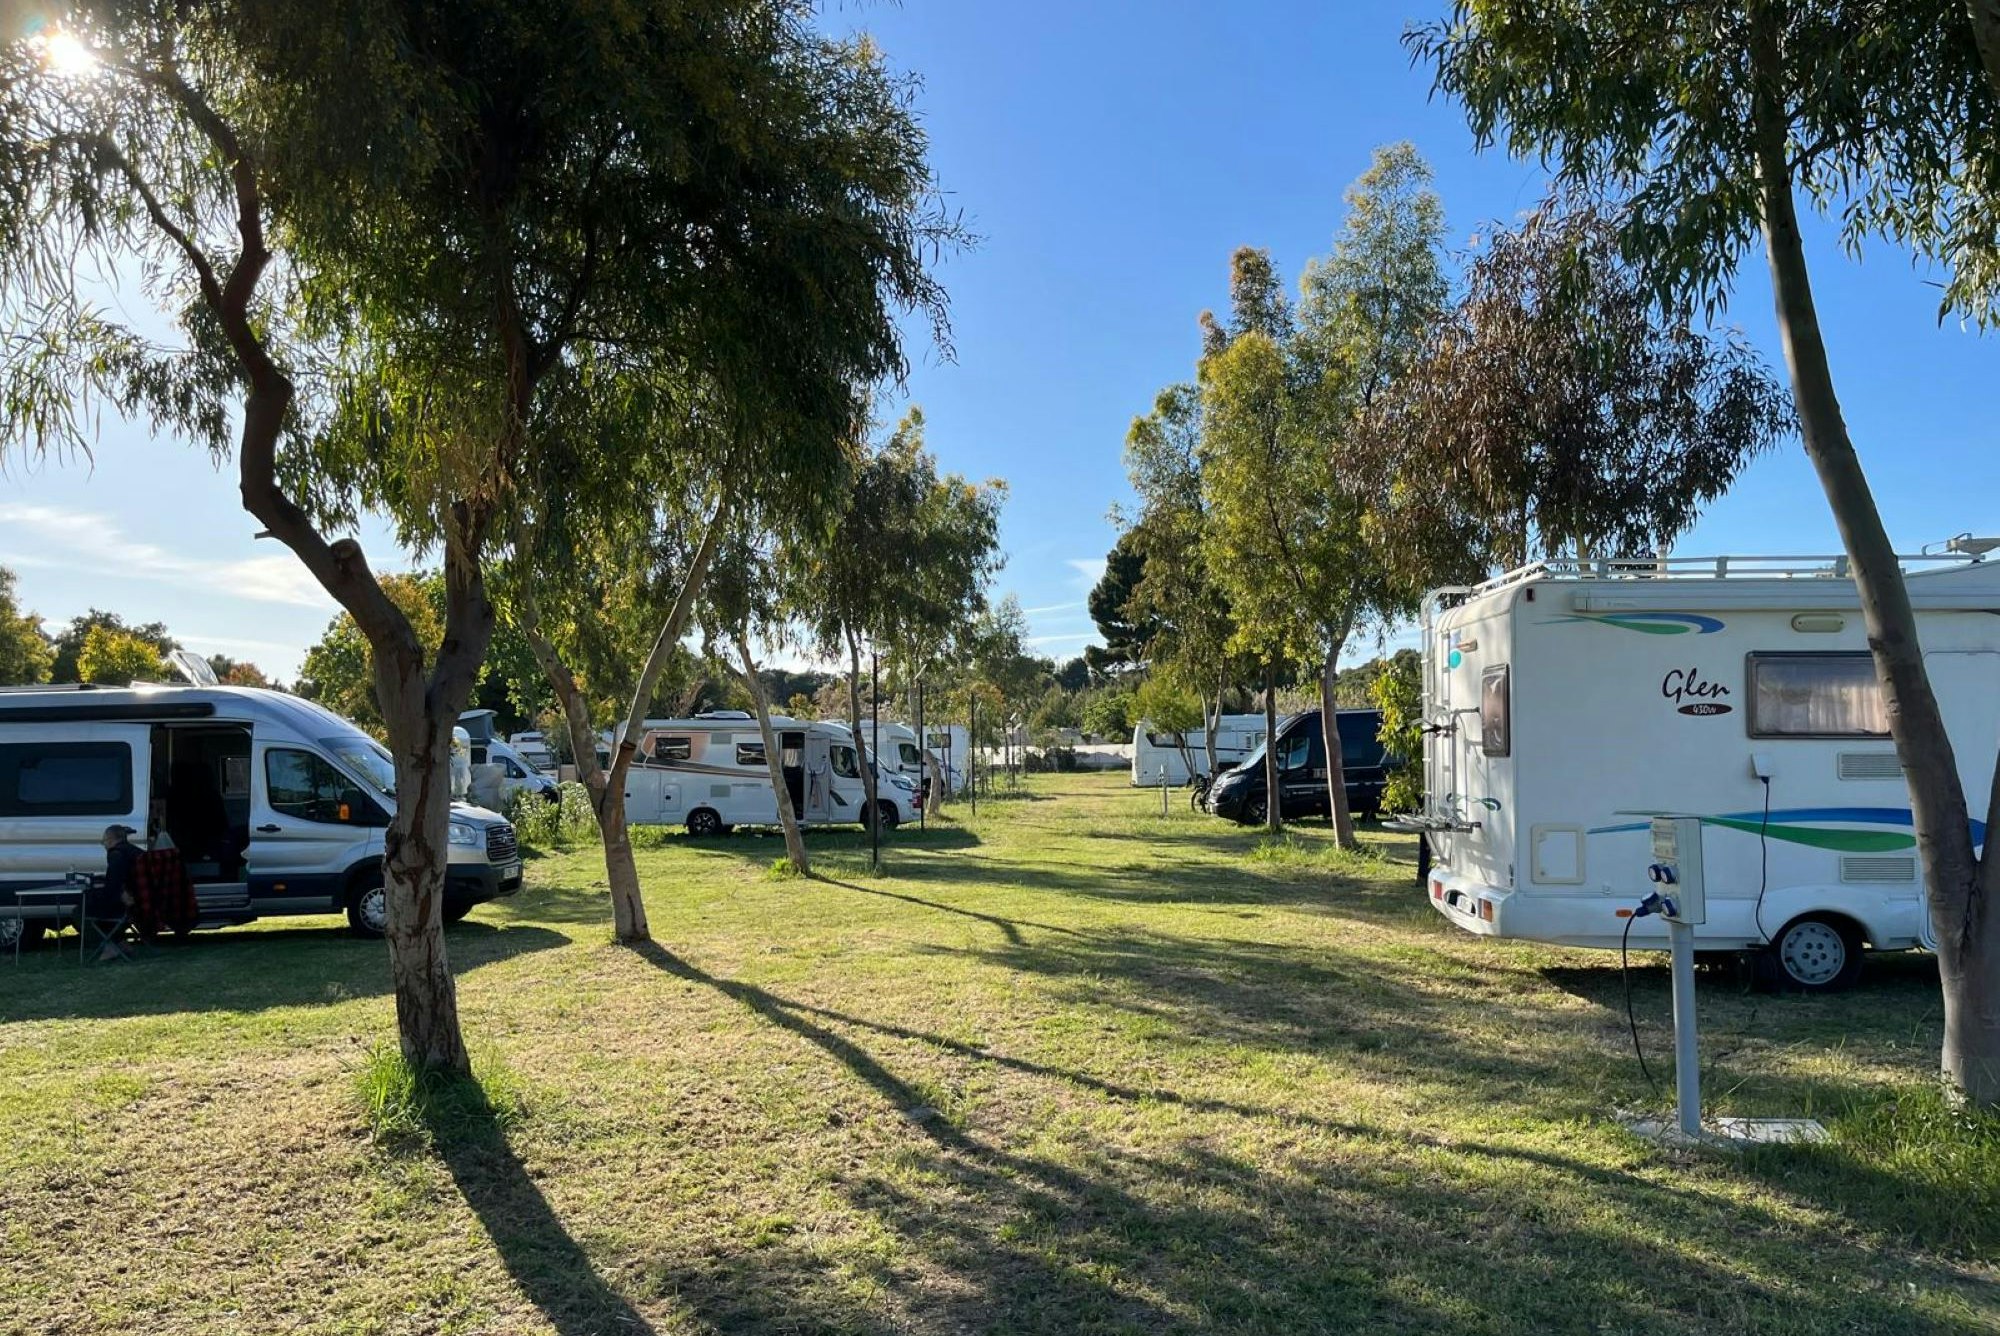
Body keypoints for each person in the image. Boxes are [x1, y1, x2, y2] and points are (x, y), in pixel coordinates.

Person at [90, 824, 141, 961]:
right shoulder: (137, 851)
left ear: (111, 839)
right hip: (141, 901)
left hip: (127, 905)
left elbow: (113, 886)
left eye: (104, 841)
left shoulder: (116, 854)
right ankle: (121, 943)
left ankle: (110, 946)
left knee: (81, 910)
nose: (104, 845)